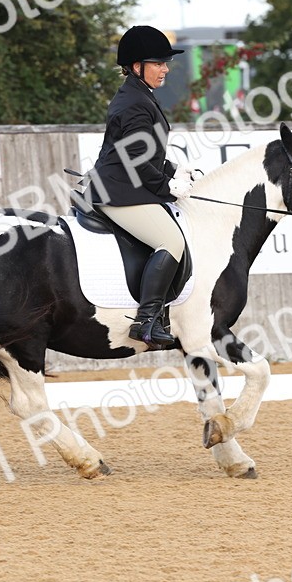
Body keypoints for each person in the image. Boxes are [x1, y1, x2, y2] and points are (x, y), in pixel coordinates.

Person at [88, 25, 197, 347]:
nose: (165, 69)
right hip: (120, 192)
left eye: (166, 63)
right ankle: (146, 322)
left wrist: (173, 168)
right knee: (170, 241)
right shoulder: (134, 102)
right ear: (137, 66)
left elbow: (144, 151)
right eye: (158, 63)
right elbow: (135, 159)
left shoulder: (138, 96)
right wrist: (167, 187)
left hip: (128, 186)